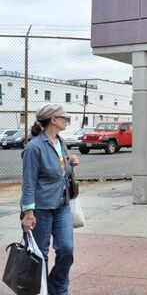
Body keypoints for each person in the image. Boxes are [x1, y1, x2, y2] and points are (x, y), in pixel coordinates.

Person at [20, 103, 79, 295]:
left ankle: (57, 286)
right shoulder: (34, 148)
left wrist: (70, 164)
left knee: (66, 249)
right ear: (53, 119)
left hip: (62, 204)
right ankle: (41, 290)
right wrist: (29, 213)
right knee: (40, 255)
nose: (66, 120)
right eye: (64, 117)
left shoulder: (60, 142)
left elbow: (61, 172)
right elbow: (28, 183)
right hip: (41, 208)